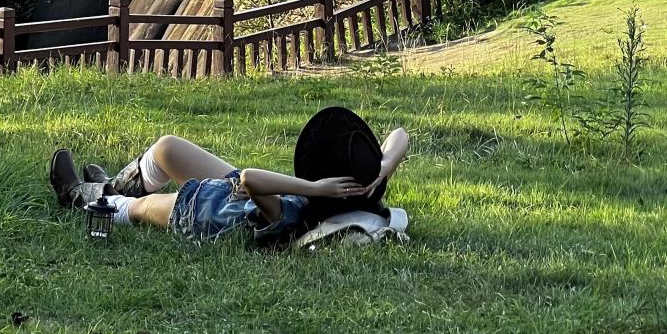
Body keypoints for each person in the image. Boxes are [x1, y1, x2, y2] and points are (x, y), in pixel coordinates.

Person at [50, 106, 409, 249]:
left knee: (138, 208)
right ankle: (113, 185)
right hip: (232, 191)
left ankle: (80, 195)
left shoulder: (293, 216)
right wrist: (382, 167)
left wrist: (313, 187)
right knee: (168, 148)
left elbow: (252, 179)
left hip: (204, 210)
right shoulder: (364, 188)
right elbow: (400, 135)